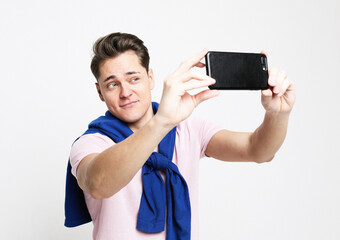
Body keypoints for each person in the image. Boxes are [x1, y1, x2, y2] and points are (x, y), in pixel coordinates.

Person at [65, 32, 296, 240]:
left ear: (151, 78)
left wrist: (278, 115)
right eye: (112, 84)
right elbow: (97, 183)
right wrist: (161, 122)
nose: (126, 92)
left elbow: (258, 150)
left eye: (134, 78)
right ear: (100, 92)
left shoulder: (188, 129)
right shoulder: (91, 142)